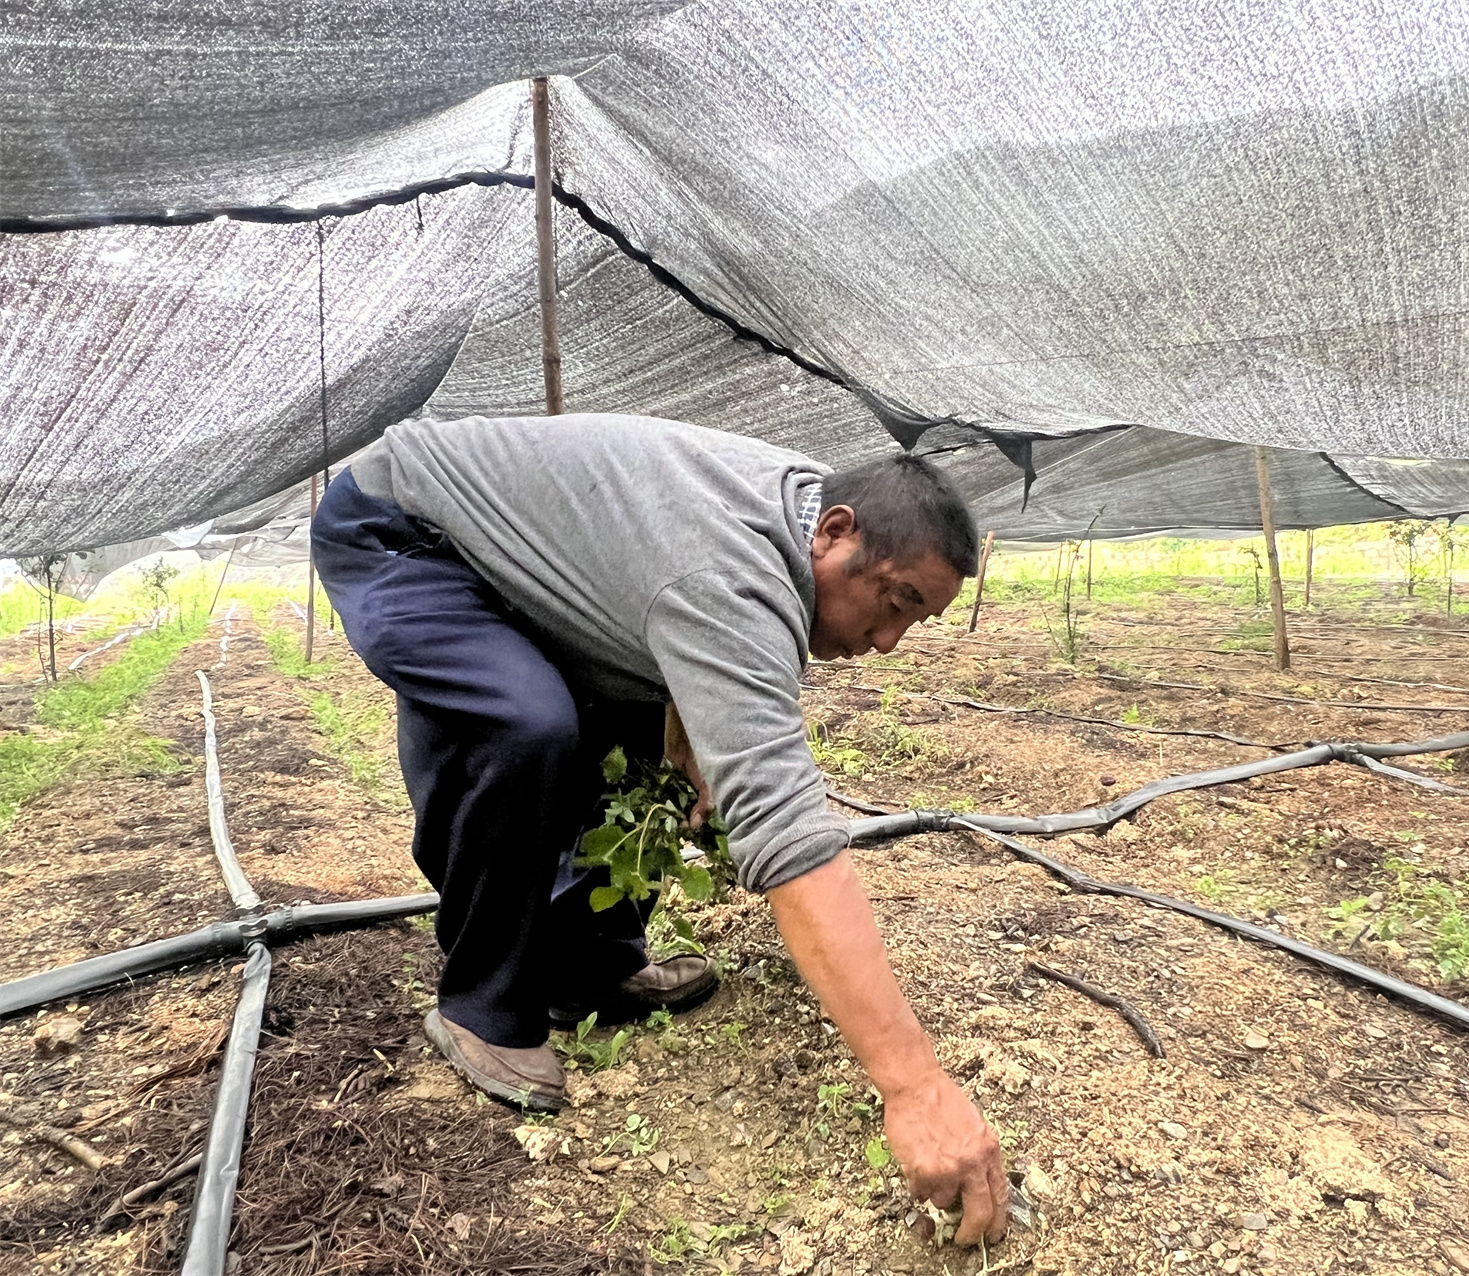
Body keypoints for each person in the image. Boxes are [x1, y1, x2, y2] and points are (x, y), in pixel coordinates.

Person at [309, 412, 1008, 1246]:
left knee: (644, 738)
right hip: (405, 527)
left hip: (526, 552)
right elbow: (783, 827)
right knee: (525, 725)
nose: (888, 641)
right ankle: (480, 1004)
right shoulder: (731, 574)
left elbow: (643, 566)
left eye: (915, 621)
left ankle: (586, 972)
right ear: (833, 532)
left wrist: (683, 716)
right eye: (895, 602)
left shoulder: (787, 519)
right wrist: (915, 1086)